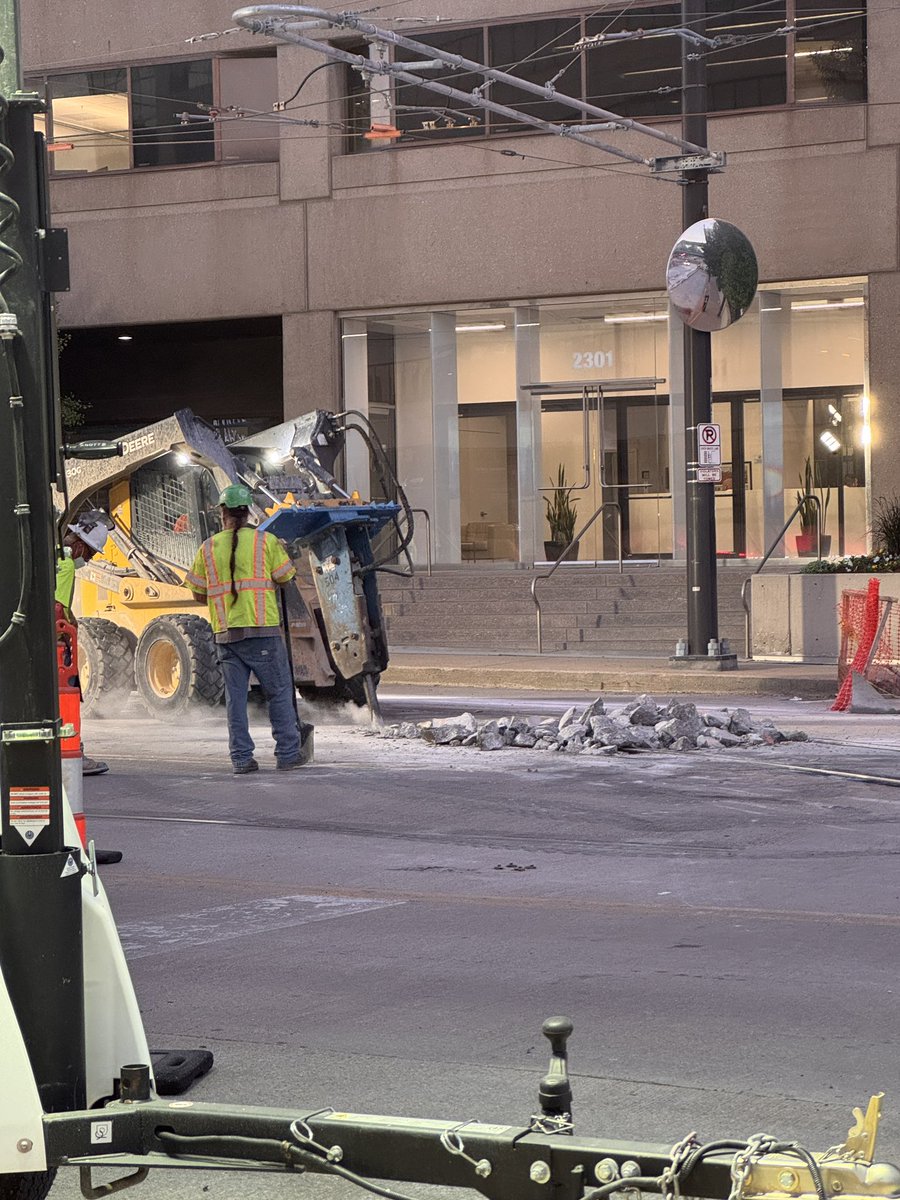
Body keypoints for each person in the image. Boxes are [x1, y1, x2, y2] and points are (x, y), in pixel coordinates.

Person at [186, 484, 311, 774]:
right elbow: (285, 577)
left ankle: (242, 759)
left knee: (236, 700)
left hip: (225, 633)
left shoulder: (207, 547)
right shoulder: (265, 542)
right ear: (247, 512)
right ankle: (288, 753)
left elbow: (197, 592)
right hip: (261, 630)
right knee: (278, 692)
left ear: (222, 513)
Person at [55, 510, 115, 777]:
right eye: (89, 554)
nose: (87, 560)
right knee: (67, 697)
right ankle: (72, 752)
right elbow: (58, 609)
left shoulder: (51, 557)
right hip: (55, 648)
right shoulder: (66, 563)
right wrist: (72, 627)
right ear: (79, 544)